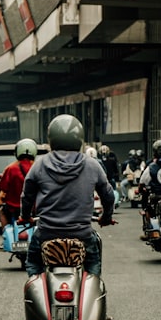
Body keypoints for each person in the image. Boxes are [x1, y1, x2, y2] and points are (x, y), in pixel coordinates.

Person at [20, 114, 115, 278]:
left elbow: (27, 196)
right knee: (93, 269)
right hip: (82, 235)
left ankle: (37, 292)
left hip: (46, 233)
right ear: (79, 139)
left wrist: (25, 216)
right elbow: (108, 195)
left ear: (52, 139)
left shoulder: (40, 164)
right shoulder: (92, 165)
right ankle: (90, 293)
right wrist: (106, 217)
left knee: (33, 263)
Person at [0, 138, 37, 228]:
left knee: (2, 211)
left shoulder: (10, 168)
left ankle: (5, 233)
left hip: (13, 208)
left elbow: (3, 188)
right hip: (34, 208)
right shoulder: (38, 167)